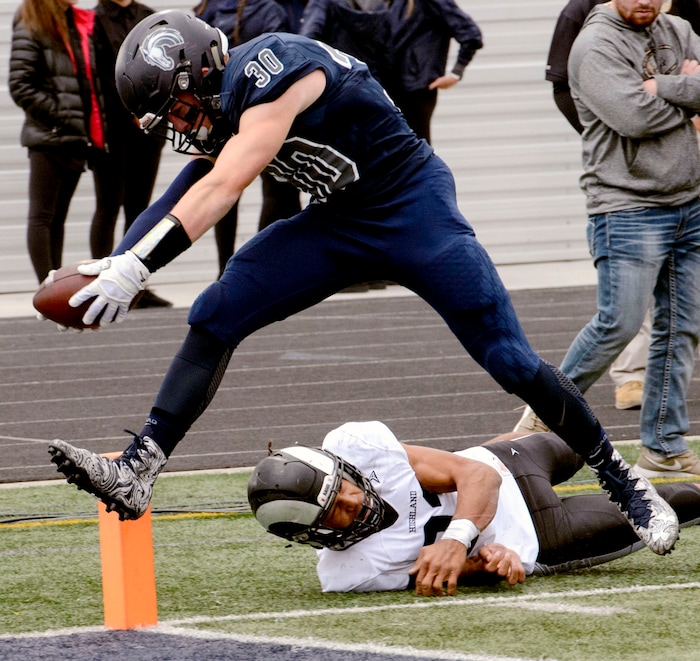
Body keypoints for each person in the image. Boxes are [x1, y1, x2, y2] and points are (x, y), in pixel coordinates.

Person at [46, 10, 678, 559]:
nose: (181, 123)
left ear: (207, 69)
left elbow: (228, 181)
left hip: (412, 208)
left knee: (506, 356)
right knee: (214, 314)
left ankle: (623, 481)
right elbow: (191, 183)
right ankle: (139, 467)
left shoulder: (273, 66)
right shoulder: (226, 99)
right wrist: (115, 260)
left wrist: (138, 269)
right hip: (339, 221)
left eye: (179, 105)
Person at [516, 0, 700, 479]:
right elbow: (632, 119)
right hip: (627, 206)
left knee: (681, 328)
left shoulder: (677, 28)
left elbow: (648, 105)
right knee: (617, 324)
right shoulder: (595, 43)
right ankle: (540, 418)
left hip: (690, 202)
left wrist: (662, 86)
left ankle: (664, 449)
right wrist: (688, 91)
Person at [247, 421, 700, 594]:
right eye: (336, 512)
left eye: (342, 484)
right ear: (314, 535)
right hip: (540, 535)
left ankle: (527, 423)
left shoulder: (355, 445)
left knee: (580, 429)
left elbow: (475, 475)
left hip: (502, 463)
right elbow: (467, 571)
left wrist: (456, 539)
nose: (353, 498)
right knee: (681, 503)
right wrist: (491, 563)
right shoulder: (350, 572)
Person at [193, 0, 301, 274]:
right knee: (277, 189)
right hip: (261, 108)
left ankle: (225, 269)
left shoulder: (207, 10)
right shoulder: (270, 9)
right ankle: (255, 266)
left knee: (224, 187)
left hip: (221, 113)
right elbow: (283, 56)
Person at [9, 0, 107, 284]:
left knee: (57, 218)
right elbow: (20, 85)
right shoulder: (32, 21)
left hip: (74, 137)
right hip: (49, 136)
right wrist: (62, 115)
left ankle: (54, 285)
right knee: (42, 216)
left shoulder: (74, 21)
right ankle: (46, 286)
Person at [300, 0, 482, 144]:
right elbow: (470, 34)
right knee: (414, 154)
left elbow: (306, 43)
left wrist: (455, 72)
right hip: (408, 87)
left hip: (370, 88)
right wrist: (456, 72)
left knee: (374, 153)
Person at [91, 0, 171, 308]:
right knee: (108, 207)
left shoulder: (150, 18)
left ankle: (136, 285)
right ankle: (102, 281)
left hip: (147, 132)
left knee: (140, 209)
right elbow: (97, 77)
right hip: (112, 131)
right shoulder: (94, 21)